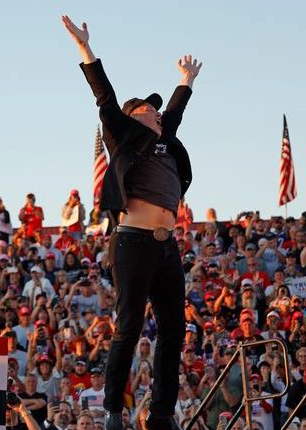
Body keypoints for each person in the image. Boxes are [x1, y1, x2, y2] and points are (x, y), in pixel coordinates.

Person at [62, 14, 202, 430]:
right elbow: (104, 97)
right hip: (133, 242)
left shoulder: (164, 140)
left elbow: (175, 111)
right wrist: (85, 48)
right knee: (128, 326)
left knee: (174, 330)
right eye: (150, 110)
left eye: (159, 112)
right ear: (133, 115)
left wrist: (186, 80)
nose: (158, 114)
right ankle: (113, 409)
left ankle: (161, 414)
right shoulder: (122, 135)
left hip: (166, 245)